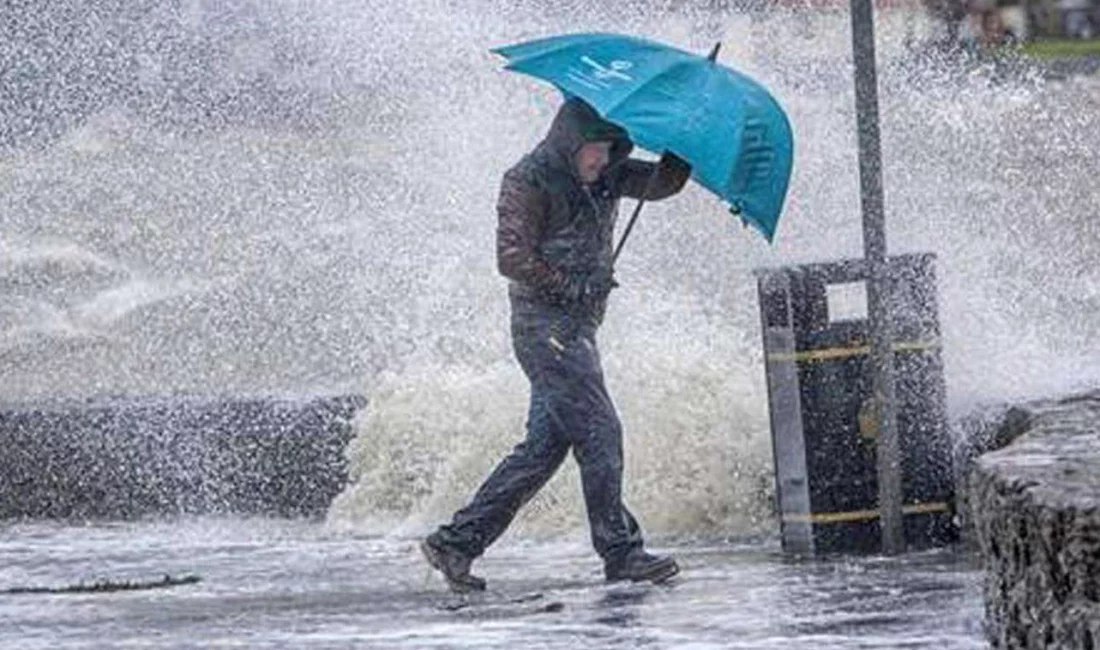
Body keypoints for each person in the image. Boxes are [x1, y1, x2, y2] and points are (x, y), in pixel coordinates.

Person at [421, 97, 691, 592]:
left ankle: (456, 543)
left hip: (578, 329)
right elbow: (510, 258)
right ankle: (621, 553)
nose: (602, 160)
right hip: (543, 329)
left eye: (611, 149)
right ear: (570, 142)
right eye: (595, 149)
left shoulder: (608, 174)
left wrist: (683, 144)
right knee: (601, 431)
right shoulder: (527, 179)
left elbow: (661, 184)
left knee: (543, 449)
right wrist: (572, 287)